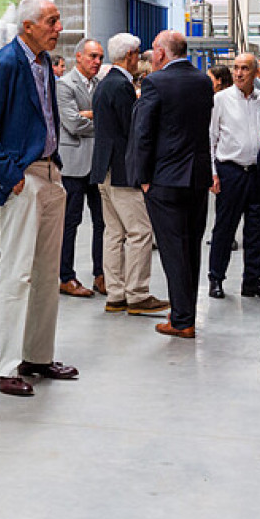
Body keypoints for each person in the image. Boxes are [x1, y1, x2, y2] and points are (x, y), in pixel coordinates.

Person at [0, 0, 75, 396]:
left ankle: (37, 356)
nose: (58, 28)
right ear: (27, 26)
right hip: (23, 178)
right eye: (51, 21)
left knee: (46, 273)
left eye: (58, 20)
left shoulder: (44, 64)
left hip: (50, 173)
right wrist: (12, 176)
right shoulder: (6, 64)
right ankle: (1, 366)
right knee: (16, 274)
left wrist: (54, 167)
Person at [131, 30, 215, 340]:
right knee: (191, 247)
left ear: (161, 53)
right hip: (197, 177)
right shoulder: (203, 81)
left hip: (165, 179)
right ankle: (184, 312)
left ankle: (182, 320)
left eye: (154, 50)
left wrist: (142, 178)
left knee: (173, 250)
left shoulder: (155, 82)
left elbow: (144, 132)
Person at [92, 34, 165, 317]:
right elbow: (131, 131)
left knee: (113, 233)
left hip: (103, 168)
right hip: (121, 171)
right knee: (140, 231)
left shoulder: (103, 83)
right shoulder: (121, 86)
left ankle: (116, 294)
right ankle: (137, 294)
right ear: (131, 55)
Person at [207, 52, 260, 301]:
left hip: (256, 172)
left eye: (245, 69)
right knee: (225, 228)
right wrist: (212, 173)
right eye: (236, 68)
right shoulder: (221, 100)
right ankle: (216, 278)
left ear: (255, 72)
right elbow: (210, 138)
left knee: (256, 229)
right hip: (230, 171)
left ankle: (252, 281)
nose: (239, 73)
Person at [56, 38, 105, 299]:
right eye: (92, 56)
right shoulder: (64, 85)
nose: (97, 61)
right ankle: (66, 277)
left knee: (103, 222)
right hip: (73, 165)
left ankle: (101, 274)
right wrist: (100, 120)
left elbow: (83, 120)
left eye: (100, 57)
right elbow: (73, 124)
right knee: (70, 223)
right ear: (79, 57)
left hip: (97, 165)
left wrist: (88, 115)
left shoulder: (100, 84)